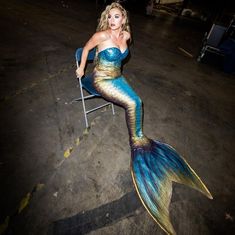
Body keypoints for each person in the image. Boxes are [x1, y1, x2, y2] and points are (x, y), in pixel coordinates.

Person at [76, 3, 212, 235]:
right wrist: (81, 68)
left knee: (136, 101)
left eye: (116, 17)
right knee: (133, 103)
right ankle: (138, 147)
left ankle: (143, 145)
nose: (112, 20)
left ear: (124, 18)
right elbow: (87, 50)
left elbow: (121, 58)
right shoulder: (101, 35)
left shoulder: (127, 35)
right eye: (109, 17)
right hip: (101, 79)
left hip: (117, 77)